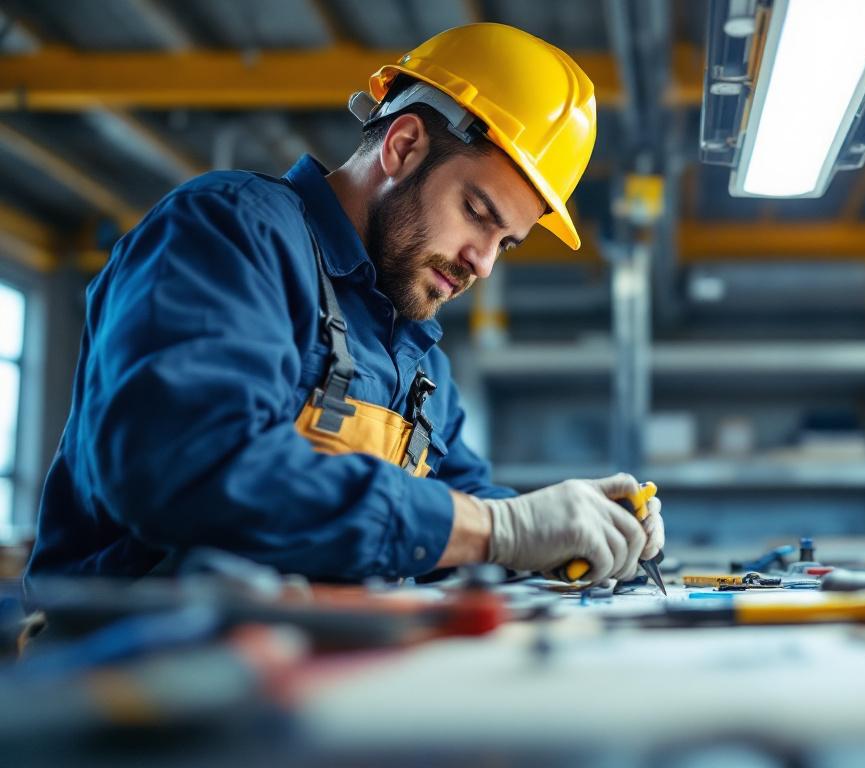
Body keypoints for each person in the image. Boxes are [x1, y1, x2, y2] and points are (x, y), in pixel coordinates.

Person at [25, 23, 663, 585]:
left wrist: (573, 528)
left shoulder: (418, 358)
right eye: (477, 213)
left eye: (506, 243)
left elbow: (465, 502)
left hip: (300, 683)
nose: (483, 262)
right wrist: (499, 529)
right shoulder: (230, 235)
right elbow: (192, 466)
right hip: (125, 681)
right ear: (403, 146)